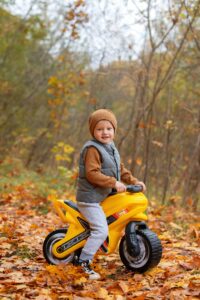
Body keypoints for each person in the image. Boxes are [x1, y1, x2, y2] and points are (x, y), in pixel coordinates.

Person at [75, 109, 146, 280]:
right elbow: (92, 174)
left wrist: (134, 181)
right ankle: (83, 261)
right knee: (100, 230)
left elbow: (120, 169)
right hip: (90, 199)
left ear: (114, 130)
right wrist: (113, 183)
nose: (105, 132)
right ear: (93, 131)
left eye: (109, 128)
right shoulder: (92, 149)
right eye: (100, 129)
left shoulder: (110, 147)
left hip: (103, 196)